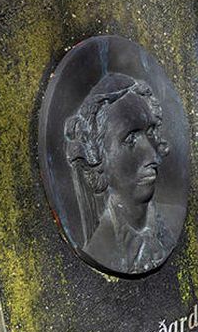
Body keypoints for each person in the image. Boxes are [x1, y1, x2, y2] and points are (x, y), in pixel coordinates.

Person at [65, 73, 175, 274]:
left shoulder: (174, 220)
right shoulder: (98, 249)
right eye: (130, 139)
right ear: (97, 156)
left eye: (150, 132)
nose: (152, 154)